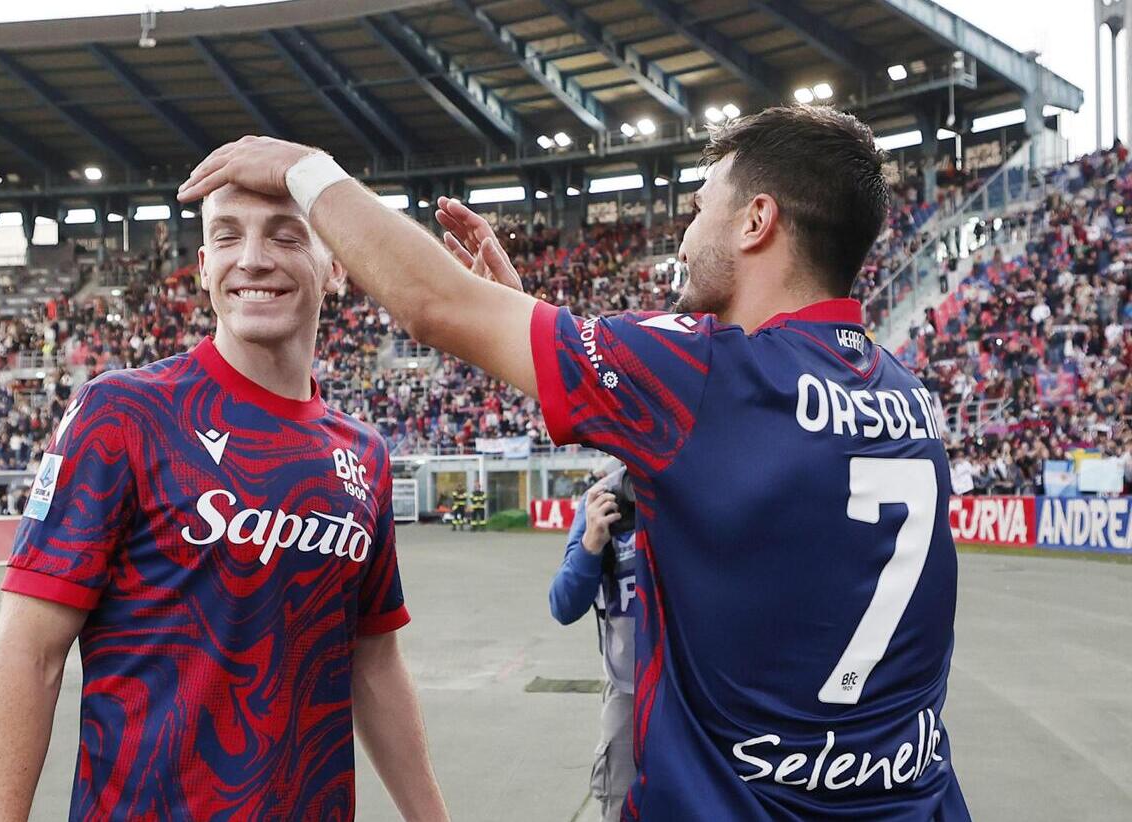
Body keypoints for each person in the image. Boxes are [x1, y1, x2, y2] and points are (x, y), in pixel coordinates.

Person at [178, 104, 969, 818]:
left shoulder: (708, 372)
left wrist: (302, 169)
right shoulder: (907, 396)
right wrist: (520, 313)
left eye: (698, 211)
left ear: (756, 221)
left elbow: (433, 306)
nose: (685, 238)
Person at [0, 183, 448, 820]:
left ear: (336, 266)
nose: (251, 257)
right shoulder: (124, 413)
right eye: (227, 235)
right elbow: (30, 654)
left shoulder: (364, 453)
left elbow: (375, 660)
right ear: (202, 266)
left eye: (284, 233)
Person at [549, 461, 636, 822]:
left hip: (695, 690)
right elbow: (564, 605)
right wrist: (591, 544)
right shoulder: (602, 499)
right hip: (628, 688)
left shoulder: (694, 488)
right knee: (619, 804)